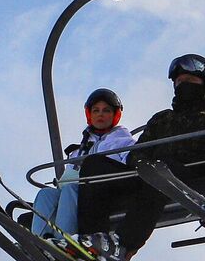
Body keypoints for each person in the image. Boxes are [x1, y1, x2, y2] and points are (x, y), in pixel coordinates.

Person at [78, 53, 205, 261]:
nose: (183, 85)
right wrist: (139, 162)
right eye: (179, 82)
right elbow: (138, 153)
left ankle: (123, 247)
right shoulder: (162, 119)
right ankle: (91, 241)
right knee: (94, 166)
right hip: (152, 174)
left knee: (161, 171)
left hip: (195, 177)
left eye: (190, 81)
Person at [27, 88, 135, 248]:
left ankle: (64, 241)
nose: (100, 114)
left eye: (106, 111)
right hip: (75, 190)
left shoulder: (123, 142)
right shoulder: (79, 149)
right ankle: (40, 241)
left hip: (104, 192)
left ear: (115, 115)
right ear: (89, 114)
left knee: (70, 190)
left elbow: (130, 165)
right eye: (96, 110)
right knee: (46, 194)